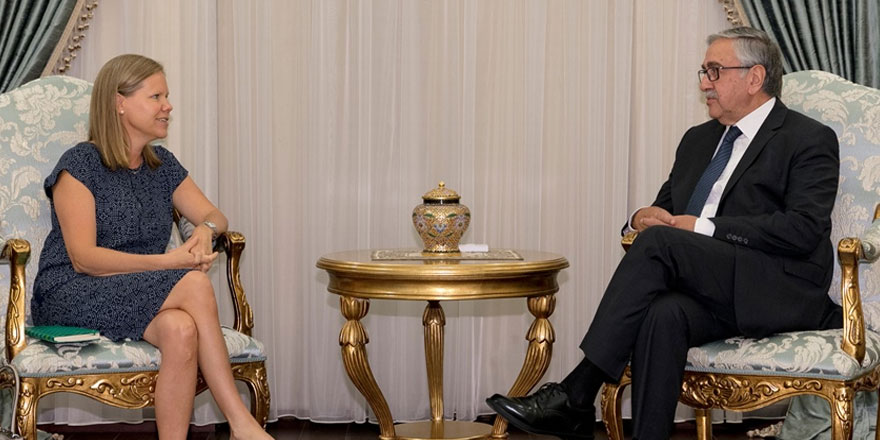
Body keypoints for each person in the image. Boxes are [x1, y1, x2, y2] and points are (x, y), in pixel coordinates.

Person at [486, 27, 843, 440]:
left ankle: (578, 391)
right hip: (711, 289)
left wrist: (704, 227)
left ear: (755, 77)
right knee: (663, 313)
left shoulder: (807, 138)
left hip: (776, 288)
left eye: (714, 70)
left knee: (661, 246)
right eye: (703, 72)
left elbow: (803, 229)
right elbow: (667, 212)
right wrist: (640, 218)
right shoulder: (698, 140)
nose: (704, 83)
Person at [30, 54, 273, 440]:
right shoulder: (79, 164)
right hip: (72, 291)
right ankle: (241, 423)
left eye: (167, 96)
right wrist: (170, 262)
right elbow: (84, 258)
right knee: (194, 284)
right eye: (156, 96)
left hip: (134, 289)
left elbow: (215, 215)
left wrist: (205, 230)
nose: (168, 106)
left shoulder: (161, 165)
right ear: (119, 103)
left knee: (180, 328)